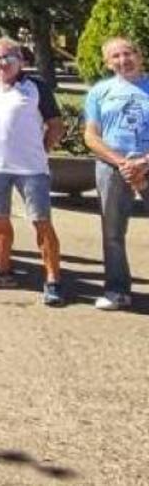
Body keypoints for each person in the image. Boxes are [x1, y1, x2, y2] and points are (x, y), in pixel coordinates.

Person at [0, 38, 65, 305]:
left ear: (21, 59)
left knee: (41, 223)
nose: (2, 63)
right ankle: (2, 269)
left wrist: (41, 148)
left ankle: (53, 279)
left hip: (31, 169)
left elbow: (55, 125)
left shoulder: (36, 88)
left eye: (8, 57)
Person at [82, 37, 149, 311]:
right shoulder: (99, 92)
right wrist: (122, 162)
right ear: (108, 63)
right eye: (116, 56)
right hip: (112, 166)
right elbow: (91, 135)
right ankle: (117, 290)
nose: (124, 60)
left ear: (139, 55)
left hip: (146, 161)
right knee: (112, 231)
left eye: (128, 53)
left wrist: (143, 162)